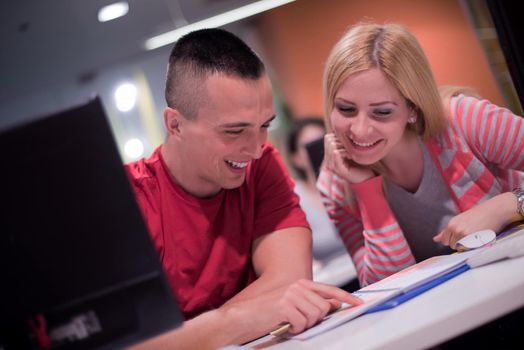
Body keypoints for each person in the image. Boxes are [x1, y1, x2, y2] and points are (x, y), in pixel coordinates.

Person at [125, 28, 361, 348]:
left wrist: (191, 336)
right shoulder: (129, 202)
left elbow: (291, 282)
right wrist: (237, 321)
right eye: (234, 131)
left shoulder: (261, 163)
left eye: (264, 126)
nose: (254, 148)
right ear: (175, 125)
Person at [317, 22, 524, 287]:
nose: (359, 130)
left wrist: (509, 205)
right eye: (346, 109)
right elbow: (388, 286)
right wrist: (366, 188)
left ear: (412, 108)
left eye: (382, 112)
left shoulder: (465, 120)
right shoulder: (335, 182)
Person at [287, 117, 358, 290]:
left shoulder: (353, 180)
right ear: (296, 158)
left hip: (365, 270)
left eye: (323, 141)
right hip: (332, 284)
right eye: (310, 146)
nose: (320, 150)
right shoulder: (293, 199)